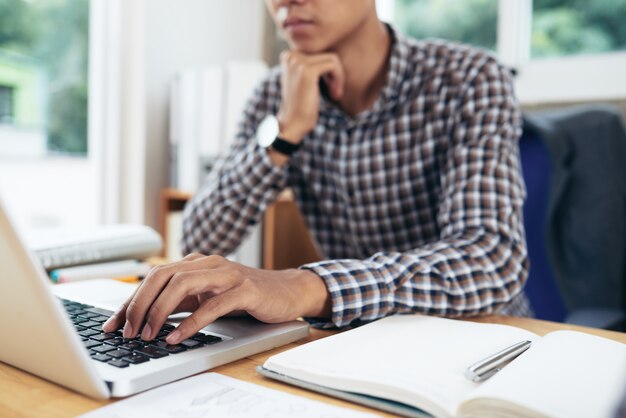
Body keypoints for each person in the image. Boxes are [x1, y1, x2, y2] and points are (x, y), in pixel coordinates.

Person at [103, 0, 530, 344]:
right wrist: (285, 135)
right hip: (356, 341)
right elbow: (200, 236)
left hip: (480, 339)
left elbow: (491, 258)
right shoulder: (277, 91)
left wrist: (303, 286)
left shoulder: (470, 78)